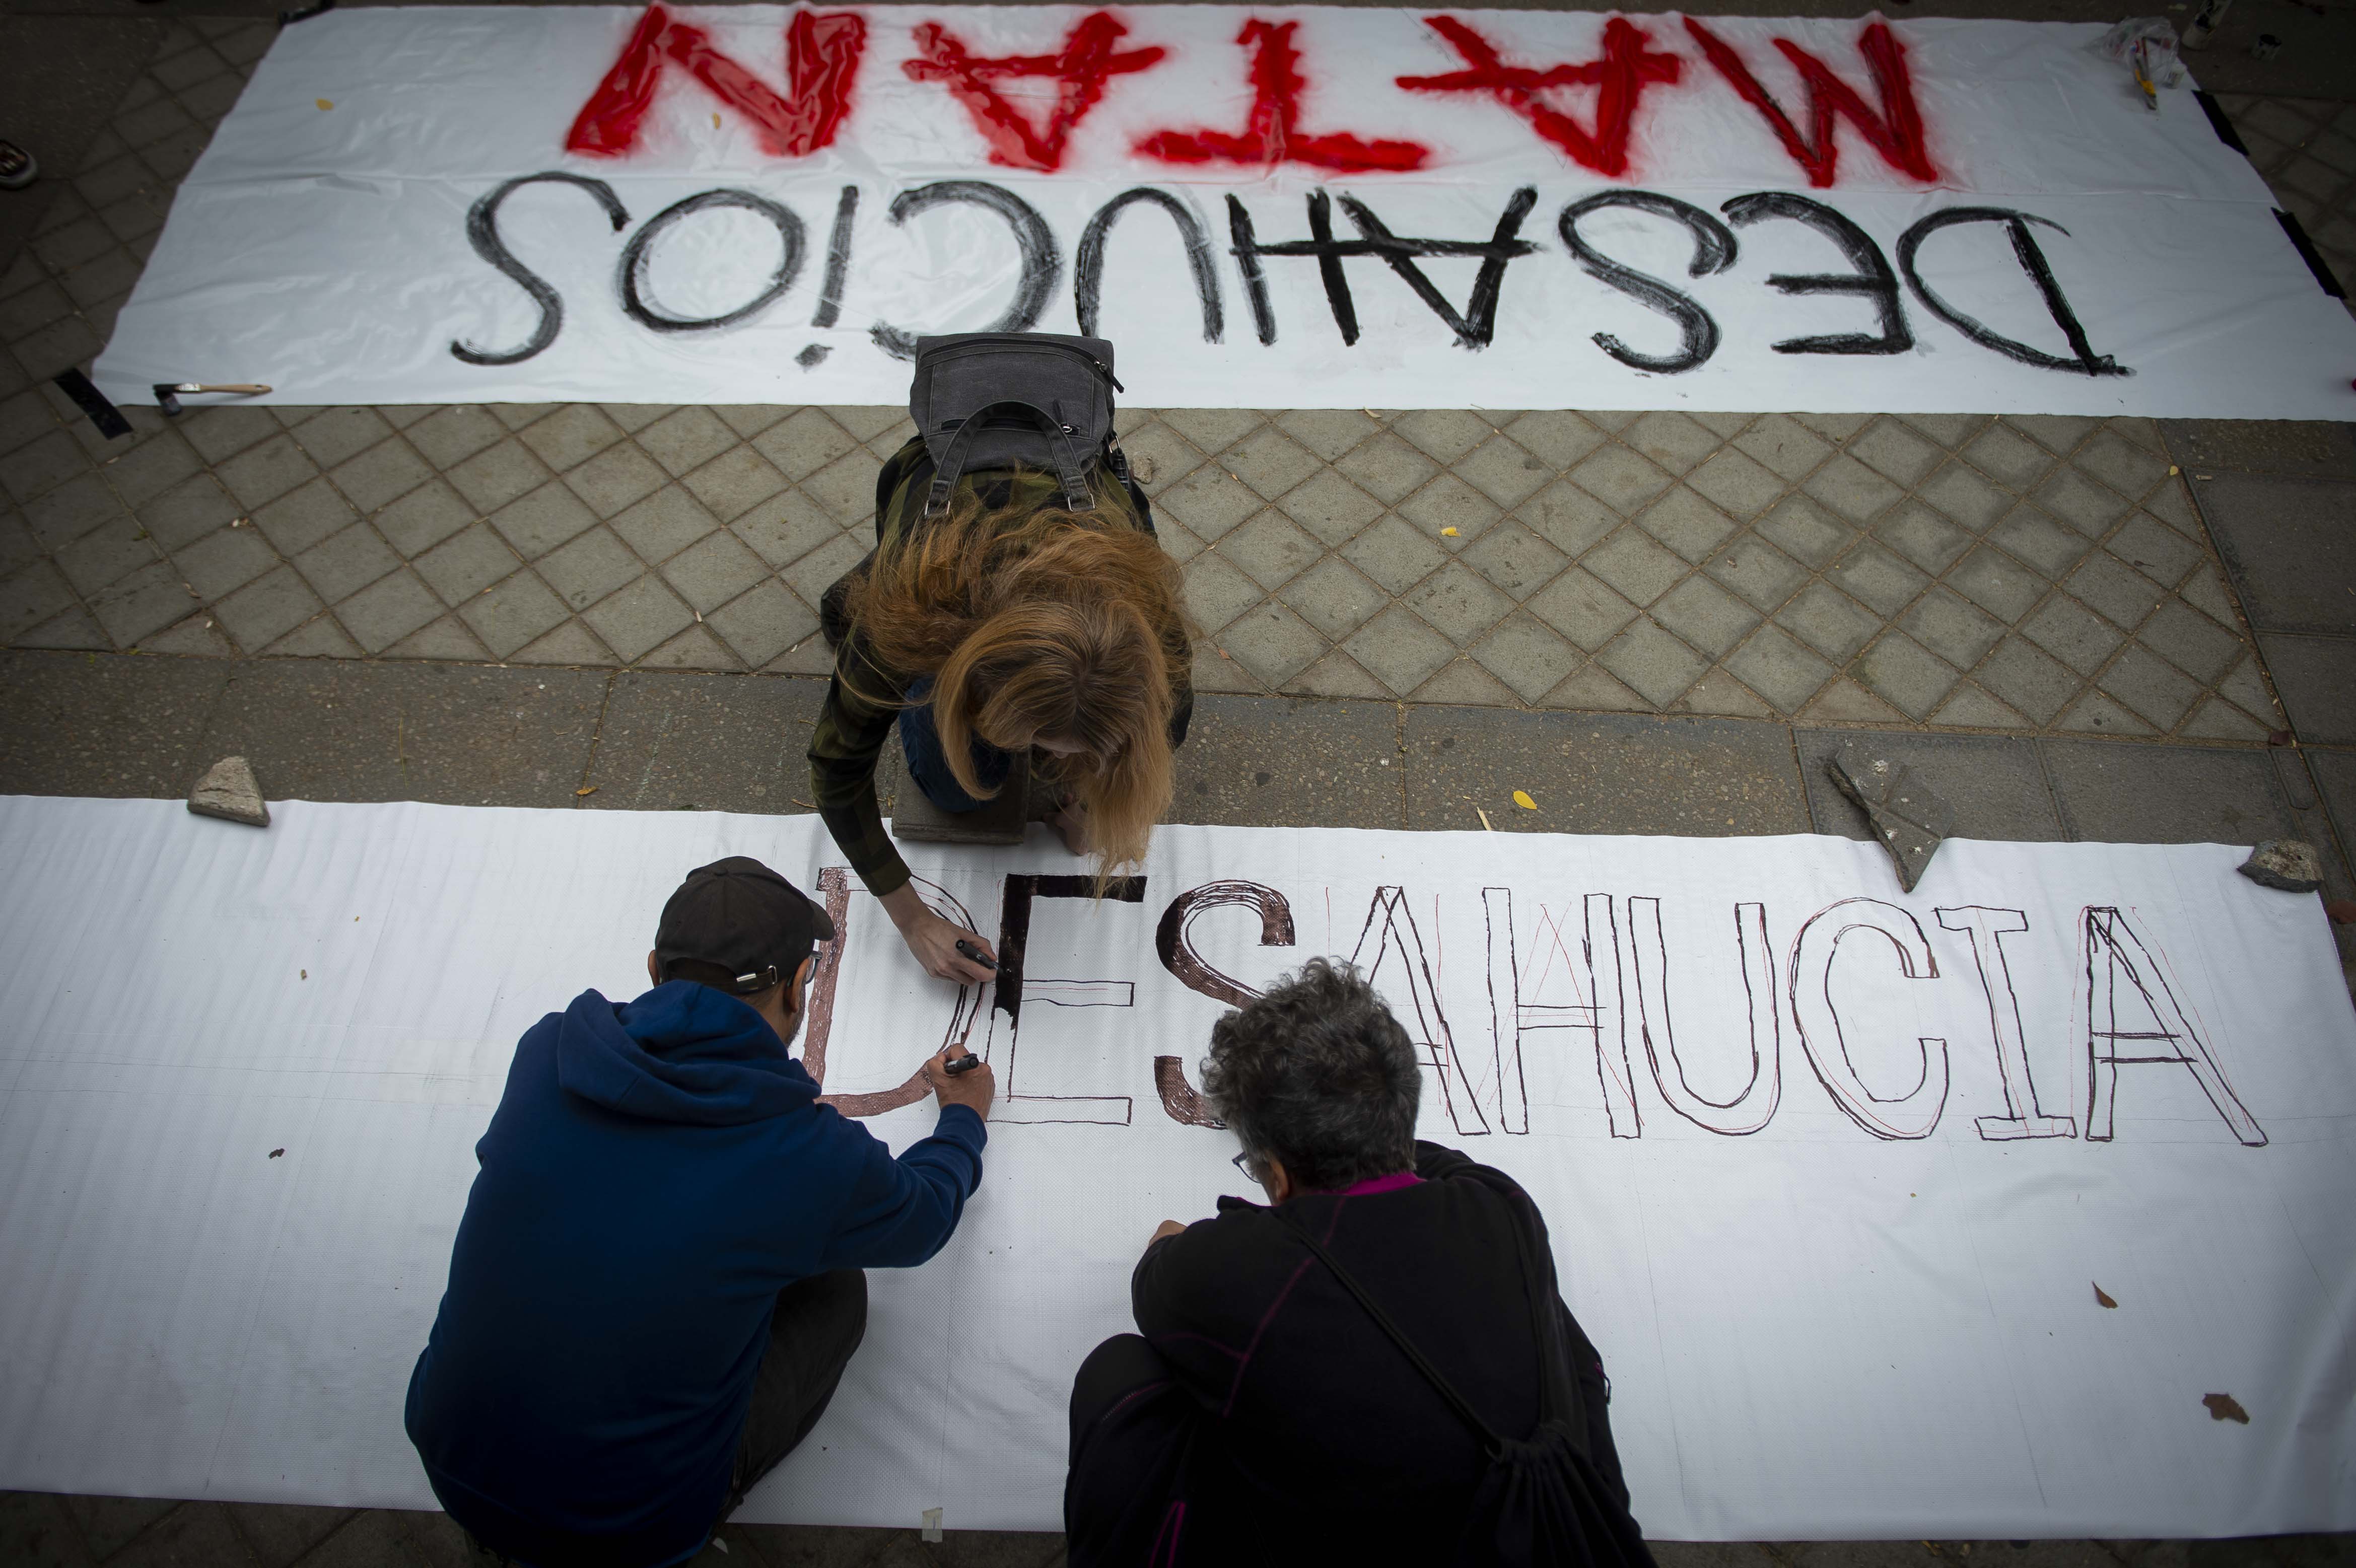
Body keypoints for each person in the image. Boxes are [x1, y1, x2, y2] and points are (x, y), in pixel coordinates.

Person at [404, 856, 996, 1567]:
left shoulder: (547, 1050)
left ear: (655, 966)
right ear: (800, 988)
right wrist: (963, 1120)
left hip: (451, 1461)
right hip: (630, 1529)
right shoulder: (800, 1156)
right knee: (837, 1287)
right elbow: (926, 1215)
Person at [1065, 959, 1652, 1567]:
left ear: (1278, 1175)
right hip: (1560, 1536)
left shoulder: (1240, 1271)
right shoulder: (1500, 1207)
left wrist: (1264, 1152)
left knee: (1119, 1371)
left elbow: (1157, 1266)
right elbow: (1441, 1161)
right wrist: (1339, 1124)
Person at [808, 433, 1194, 989]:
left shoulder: (1153, 635)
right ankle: (859, 589)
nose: (1048, 762)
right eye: (1037, 743)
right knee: (957, 790)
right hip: (939, 493)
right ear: (975, 687)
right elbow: (836, 770)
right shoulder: (904, 625)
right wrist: (913, 921)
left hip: (1078, 495)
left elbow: (1164, 731)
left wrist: (1099, 805)